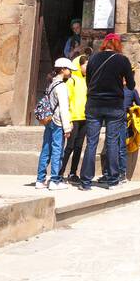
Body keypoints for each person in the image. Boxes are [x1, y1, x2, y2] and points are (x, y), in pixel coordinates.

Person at [78, 33, 135, 191]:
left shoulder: (94, 58)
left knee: (91, 143)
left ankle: (86, 182)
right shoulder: (122, 60)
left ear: (105, 43)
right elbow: (131, 85)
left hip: (94, 104)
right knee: (112, 142)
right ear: (117, 44)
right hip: (114, 105)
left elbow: (88, 81)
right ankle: (112, 180)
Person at [34, 57, 72, 191]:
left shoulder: (51, 84)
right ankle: (55, 180)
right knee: (57, 150)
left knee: (46, 149)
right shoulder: (61, 86)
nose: (70, 72)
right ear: (62, 69)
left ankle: (40, 179)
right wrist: (67, 127)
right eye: (68, 69)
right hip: (58, 121)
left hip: (50, 121)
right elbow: (63, 108)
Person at [61, 53, 88, 184]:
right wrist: (68, 119)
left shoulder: (87, 81)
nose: (87, 67)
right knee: (70, 146)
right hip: (74, 118)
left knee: (78, 147)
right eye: (85, 65)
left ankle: (73, 173)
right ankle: (60, 172)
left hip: (84, 118)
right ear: (79, 65)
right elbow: (66, 101)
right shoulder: (71, 81)